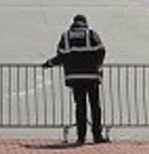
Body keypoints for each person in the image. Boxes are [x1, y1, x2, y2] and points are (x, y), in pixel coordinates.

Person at [43, 14, 108, 144]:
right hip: (92, 76)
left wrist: (49, 63)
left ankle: (81, 136)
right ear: (85, 22)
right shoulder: (91, 34)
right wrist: (98, 66)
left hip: (75, 77)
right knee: (95, 106)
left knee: (80, 107)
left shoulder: (66, 36)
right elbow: (101, 51)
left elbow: (61, 56)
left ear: (74, 23)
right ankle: (97, 135)